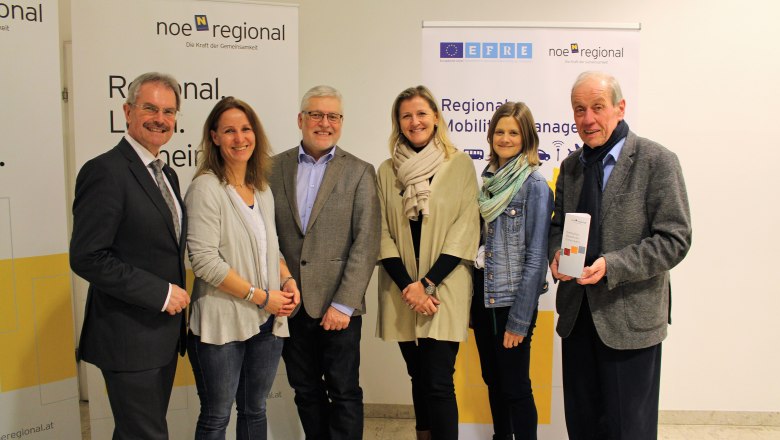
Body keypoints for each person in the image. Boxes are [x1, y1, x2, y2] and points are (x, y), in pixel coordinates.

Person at [548, 71, 692, 440]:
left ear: (620, 107)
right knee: (583, 425)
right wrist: (555, 255)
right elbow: (557, 226)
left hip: (630, 323)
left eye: (597, 107)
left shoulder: (656, 161)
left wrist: (614, 265)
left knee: (629, 429)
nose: (587, 119)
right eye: (579, 110)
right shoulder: (570, 167)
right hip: (577, 318)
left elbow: (675, 238)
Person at [70, 72, 190, 439]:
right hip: (128, 337)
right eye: (150, 108)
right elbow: (88, 256)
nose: (160, 118)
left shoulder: (166, 172)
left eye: (169, 111)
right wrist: (162, 293)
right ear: (127, 111)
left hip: (161, 337)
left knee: (136, 433)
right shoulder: (105, 171)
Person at [268, 85, 381, 440]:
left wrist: (344, 304)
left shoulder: (360, 171)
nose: (324, 123)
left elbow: (366, 242)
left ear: (341, 123)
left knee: (345, 392)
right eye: (316, 114)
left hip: (339, 308)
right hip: (290, 304)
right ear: (301, 120)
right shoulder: (271, 169)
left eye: (333, 116)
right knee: (305, 391)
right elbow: (266, 235)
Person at [184, 97, 300, 439]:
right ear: (214, 137)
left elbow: (272, 249)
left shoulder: (261, 188)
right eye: (229, 131)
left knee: (255, 410)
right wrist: (262, 296)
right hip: (221, 323)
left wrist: (288, 279)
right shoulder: (205, 188)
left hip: (265, 322)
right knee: (217, 416)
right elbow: (204, 261)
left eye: (246, 129)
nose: (240, 138)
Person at [376, 85, 480, 440]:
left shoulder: (460, 164)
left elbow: (466, 230)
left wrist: (427, 285)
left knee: (438, 381)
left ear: (436, 117)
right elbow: (382, 233)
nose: (415, 121)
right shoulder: (387, 170)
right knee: (417, 375)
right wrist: (410, 286)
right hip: (402, 288)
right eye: (406, 115)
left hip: (444, 288)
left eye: (421, 113)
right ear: (398, 122)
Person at [470, 102, 553, 440]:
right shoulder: (488, 179)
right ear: (491, 136)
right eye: (500, 131)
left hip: (512, 302)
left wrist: (520, 319)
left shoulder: (534, 185)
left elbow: (536, 258)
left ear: (526, 137)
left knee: (516, 386)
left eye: (513, 132)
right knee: (494, 380)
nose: (505, 138)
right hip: (483, 294)